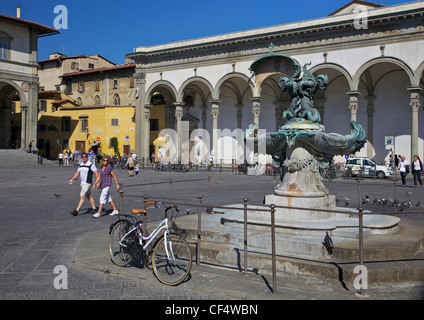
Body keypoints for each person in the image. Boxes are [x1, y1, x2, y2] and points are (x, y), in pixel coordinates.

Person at [68, 152, 99, 216]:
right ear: (81, 158)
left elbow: (96, 173)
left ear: (87, 157)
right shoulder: (81, 164)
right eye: (83, 157)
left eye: (85, 157)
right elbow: (77, 173)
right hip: (82, 183)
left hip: (87, 182)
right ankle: (94, 209)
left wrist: (97, 182)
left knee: (82, 195)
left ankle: (76, 210)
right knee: (88, 195)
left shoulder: (91, 164)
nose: (84, 158)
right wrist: (72, 179)